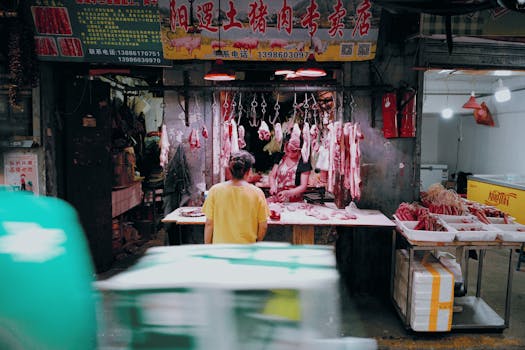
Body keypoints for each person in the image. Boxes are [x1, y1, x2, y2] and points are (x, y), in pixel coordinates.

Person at [202, 150, 269, 244]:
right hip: (247, 250)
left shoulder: (215, 190)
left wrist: (207, 247)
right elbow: (263, 226)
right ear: (249, 171)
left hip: (220, 251)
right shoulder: (257, 193)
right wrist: (256, 243)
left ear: (230, 170)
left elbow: (209, 224)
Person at [268, 136, 312, 202]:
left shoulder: (304, 161)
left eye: (294, 151)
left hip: (295, 200)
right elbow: (272, 176)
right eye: (287, 150)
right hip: (278, 197)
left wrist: (288, 193)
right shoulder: (280, 156)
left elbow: (303, 186)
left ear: (300, 149)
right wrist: (272, 186)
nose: (290, 154)